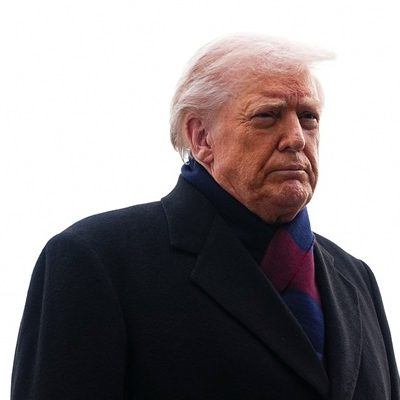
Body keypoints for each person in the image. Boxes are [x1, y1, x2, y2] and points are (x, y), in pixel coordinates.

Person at [11, 34, 399, 400]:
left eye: (309, 117)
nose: (296, 137)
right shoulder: (95, 260)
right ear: (201, 138)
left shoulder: (356, 278)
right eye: (267, 115)